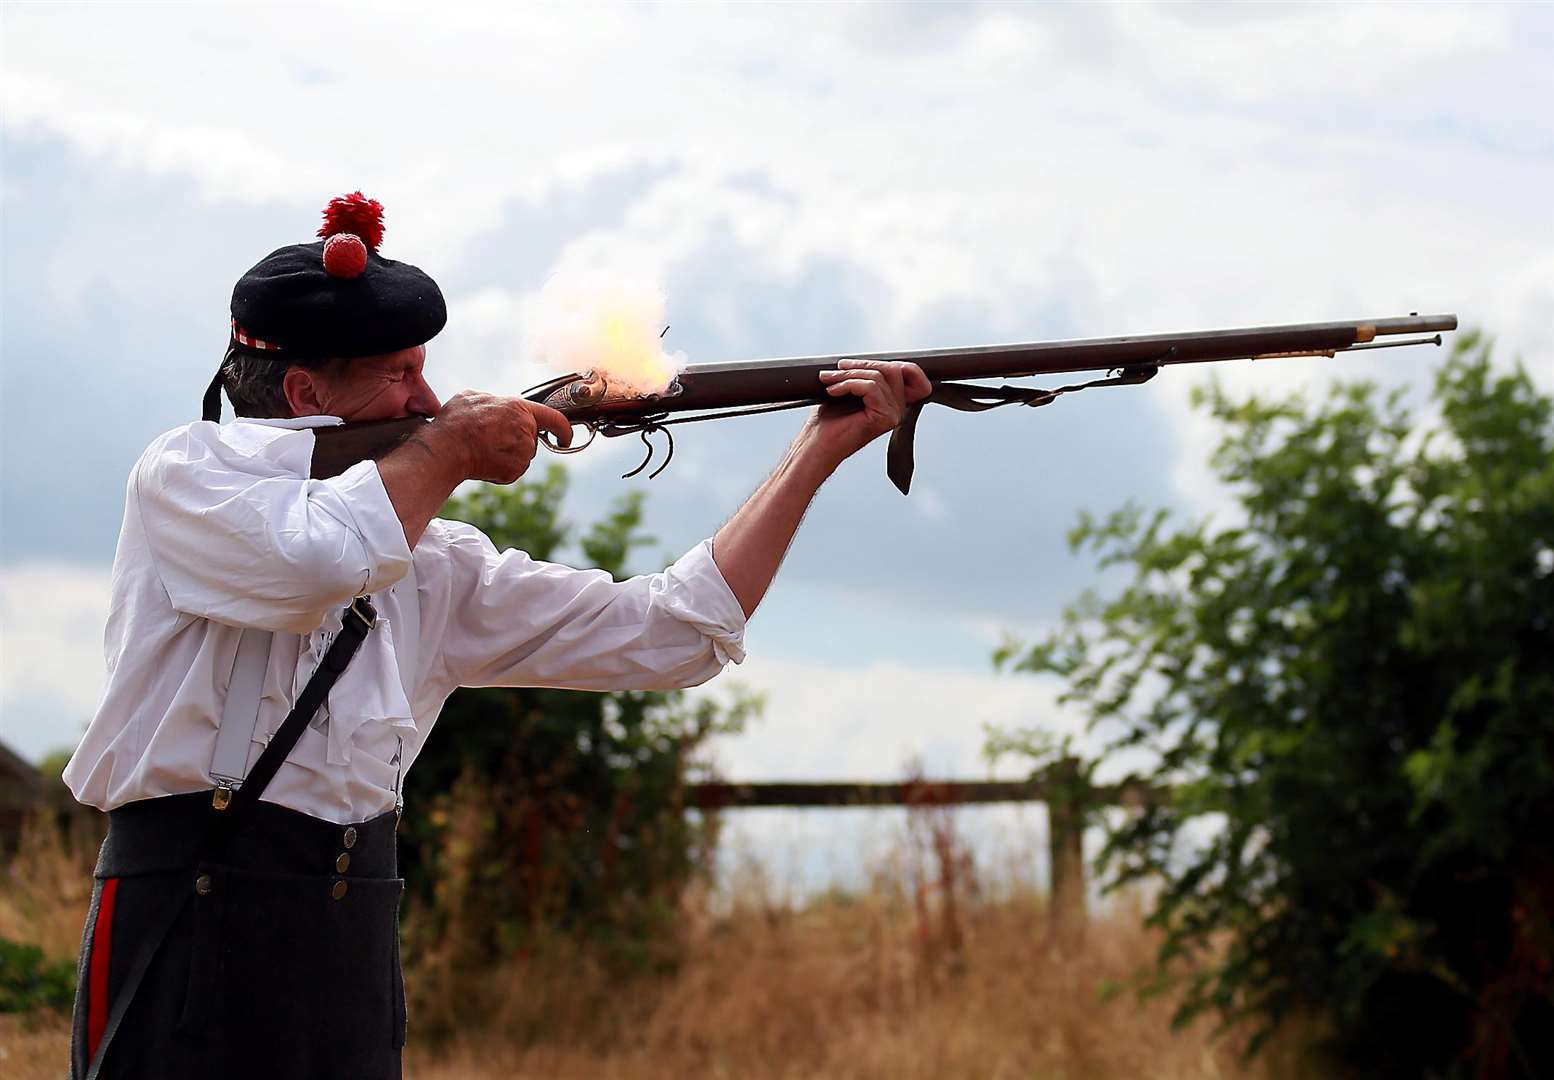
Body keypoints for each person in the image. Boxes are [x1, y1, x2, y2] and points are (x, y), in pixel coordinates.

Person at [62, 192, 931, 1079]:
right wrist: (447, 453)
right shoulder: (188, 474)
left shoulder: (432, 562)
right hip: (184, 917)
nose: (428, 399)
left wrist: (817, 449)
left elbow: (678, 632)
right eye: (400, 374)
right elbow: (314, 563)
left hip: (346, 936)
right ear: (303, 394)